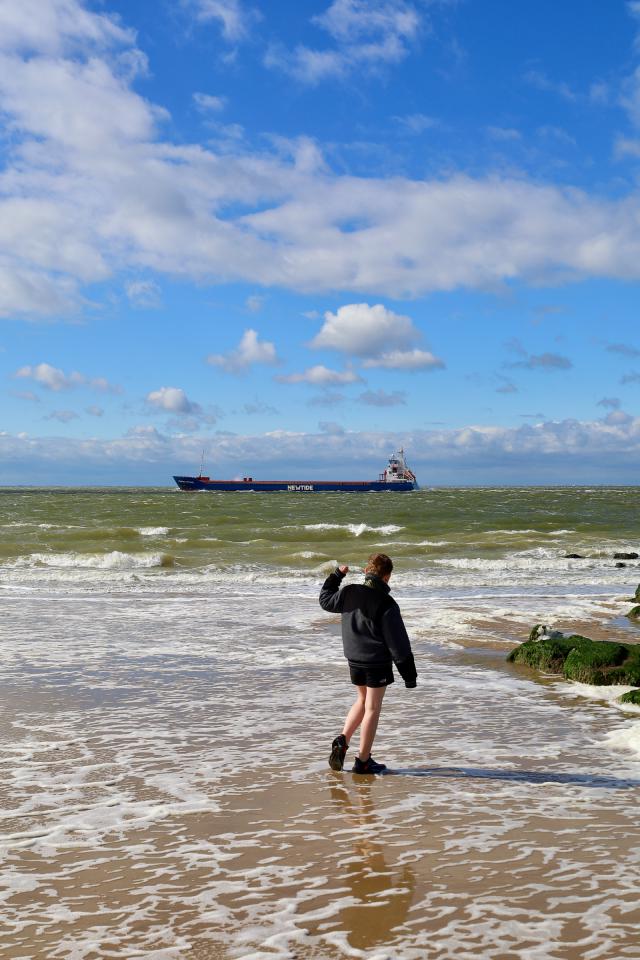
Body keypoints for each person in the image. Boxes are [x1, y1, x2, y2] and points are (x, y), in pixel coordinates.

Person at [319, 552, 417, 775]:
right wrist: (409, 675)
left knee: (362, 700)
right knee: (372, 707)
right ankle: (363, 761)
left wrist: (336, 576)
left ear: (366, 572)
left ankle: (343, 740)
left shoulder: (349, 591)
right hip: (376, 662)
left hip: (353, 658)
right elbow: (398, 643)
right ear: (387, 578)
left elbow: (325, 600)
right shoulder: (386, 603)